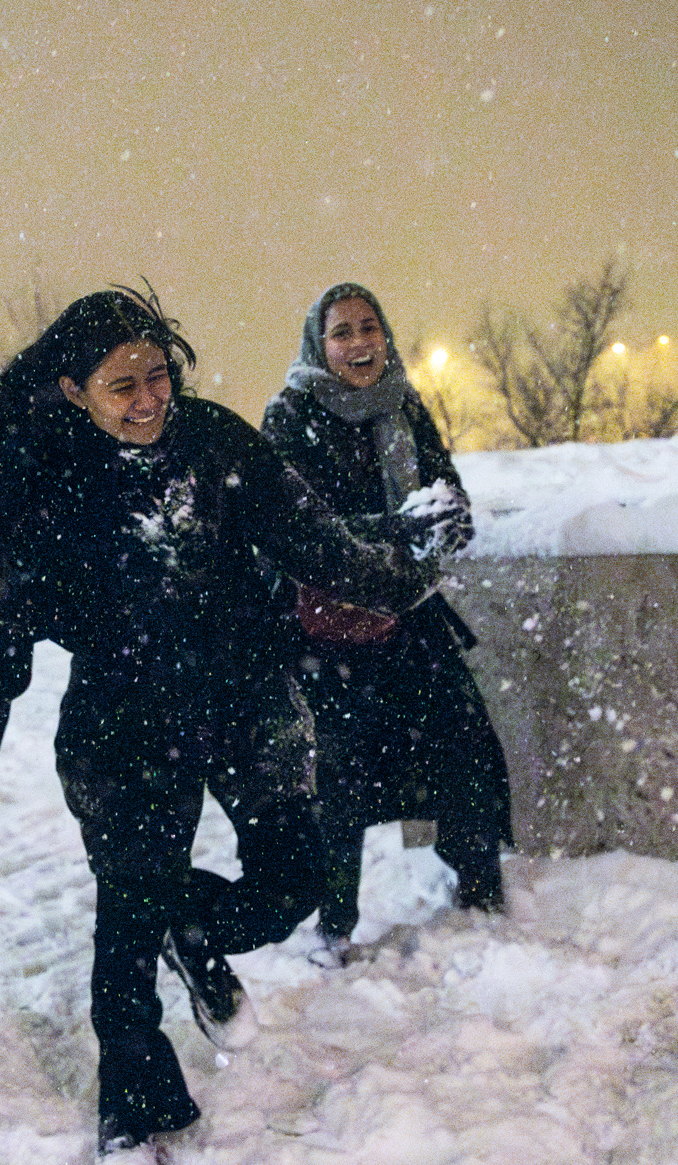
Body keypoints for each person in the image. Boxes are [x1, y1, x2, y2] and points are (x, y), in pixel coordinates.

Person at [0, 288, 460, 1165]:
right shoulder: (51, 494)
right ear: (73, 391)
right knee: (127, 927)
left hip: (244, 697)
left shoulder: (215, 442)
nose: (148, 400)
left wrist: (410, 562)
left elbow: (316, 544)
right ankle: (130, 1115)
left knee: (293, 884)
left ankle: (196, 922)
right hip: (122, 724)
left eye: (157, 377)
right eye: (120, 386)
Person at [259, 283, 515, 964]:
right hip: (328, 634)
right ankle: (335, 928)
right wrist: (396, 528)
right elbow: (295, 532)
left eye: (369, 327)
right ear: (320, 344)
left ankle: (480, 891)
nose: (359, 343)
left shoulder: (403, 404)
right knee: (339, 786)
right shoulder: (289, 417)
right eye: (342, 332)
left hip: (409, 618)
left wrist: (449, 515)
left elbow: (442, 484)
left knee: (464, 746)